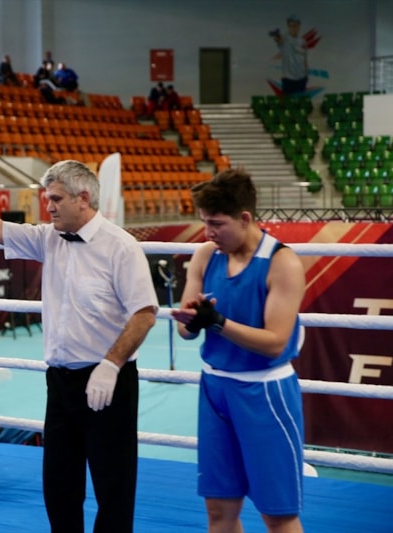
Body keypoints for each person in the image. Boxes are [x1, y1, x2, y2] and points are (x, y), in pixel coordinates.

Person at [0, 150, 159, 532]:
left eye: (55, 199)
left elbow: (144, 313)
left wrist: (111, 364)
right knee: (59, 485)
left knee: (114, 487)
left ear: (82, 198)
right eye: (46, 198)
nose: (47, 206)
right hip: (61, 383)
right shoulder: (47, 238)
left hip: (109, 382)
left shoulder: (120, 246)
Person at [170, 168, 306, 533]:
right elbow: (185, 329)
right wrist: (193, 321)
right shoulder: (205, 256)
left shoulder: (282, 263)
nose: (208, 232)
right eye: (204, 222)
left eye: (217, 223)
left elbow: (275, 342)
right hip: (215, 390)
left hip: (264, 391)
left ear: (245, 218)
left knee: (277, 514)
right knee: (219, 509)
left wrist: (217, 322)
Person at [272, 14, 308, 95]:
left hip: (302, 79)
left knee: (301, 101)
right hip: (288, 80)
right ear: (288, 26)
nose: (293, 28)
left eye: (295, 25)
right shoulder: (284, 38)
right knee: (287, 102)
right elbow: (279, 40)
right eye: (291, 26)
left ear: (299, 26)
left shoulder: (303, 41)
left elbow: (305, 61)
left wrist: (306, 75)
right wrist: (277, 37)